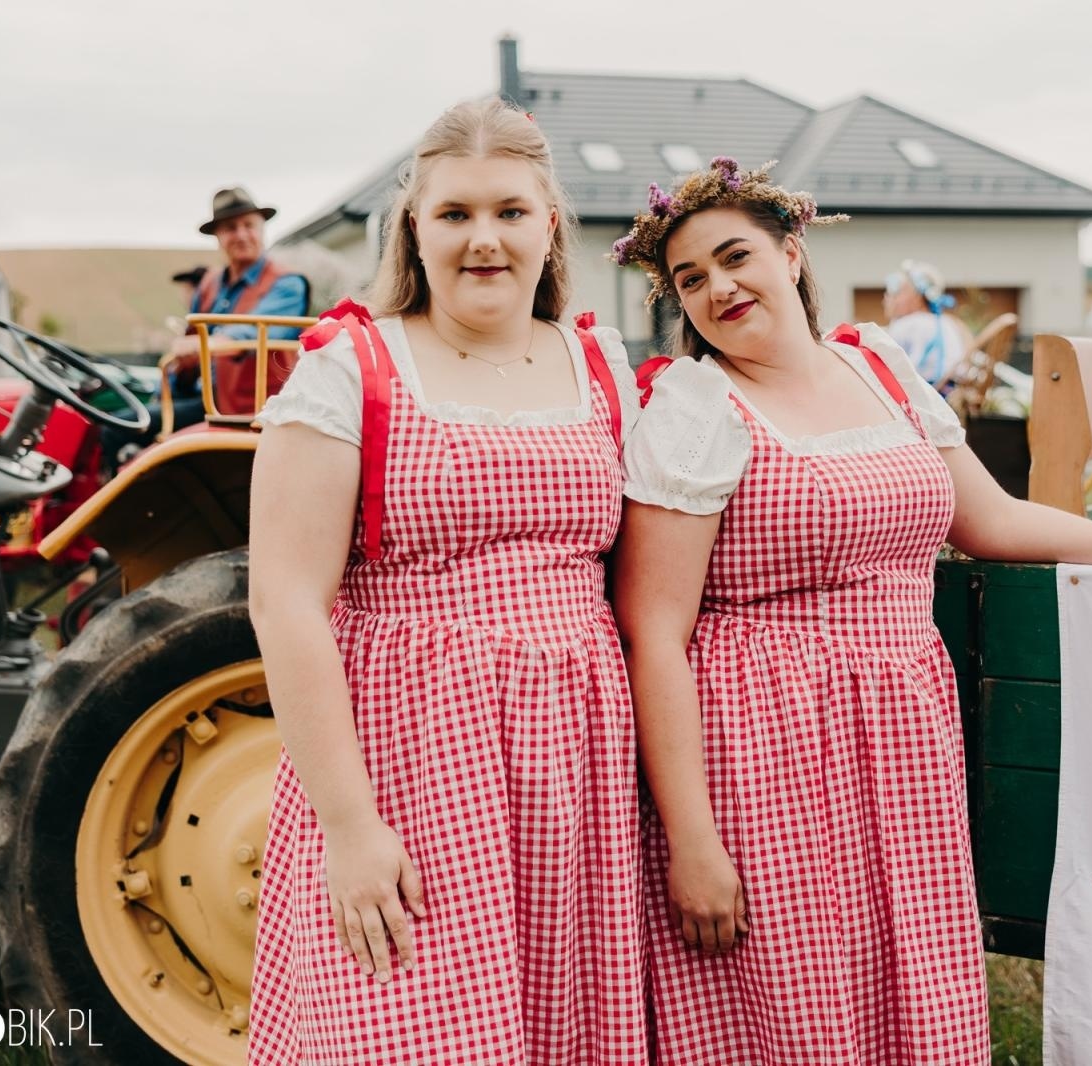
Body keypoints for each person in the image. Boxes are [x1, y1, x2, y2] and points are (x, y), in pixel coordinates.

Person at [609, 157, 1092, 1066]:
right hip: (763, 741)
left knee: (906, 977)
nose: (717, 287)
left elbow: (990, 520)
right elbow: (656, 631)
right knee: (795, 998)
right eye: (690, 279)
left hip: (902, 728)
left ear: (791, 253)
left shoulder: (878, 366)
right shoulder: (696, 408)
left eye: (735, 256)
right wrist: (693, 839)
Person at [247, 99, 645, 1064]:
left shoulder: (600, 365)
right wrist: (348, 823)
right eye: (455, 214)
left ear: (550, 223)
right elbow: (286, 601)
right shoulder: (352, 369)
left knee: (560, 1026)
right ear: (413, 228)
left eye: (510, 212)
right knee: (406, 1028)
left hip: (575, 762)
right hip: (410, 752)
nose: (483, 240)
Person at [102, 189, 310, 472]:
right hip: (209, 399)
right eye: (229, 228)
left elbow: (255, 332)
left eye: (248, 225)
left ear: (261, 229)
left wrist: (209, 344)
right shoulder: (211, 283)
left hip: (252, 409)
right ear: (218, 237)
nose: (241, 235)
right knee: (118, 420)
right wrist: (173, 381)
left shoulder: (287, 284)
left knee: (119, 429)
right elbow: (190, 341)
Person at [884, 258, 966, 391]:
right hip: (952, 392)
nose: (892, 297)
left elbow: (886, 365)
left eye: (899, 292)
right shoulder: (946, 323)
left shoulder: (908, 324)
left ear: (917, 297)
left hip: (927, 395)